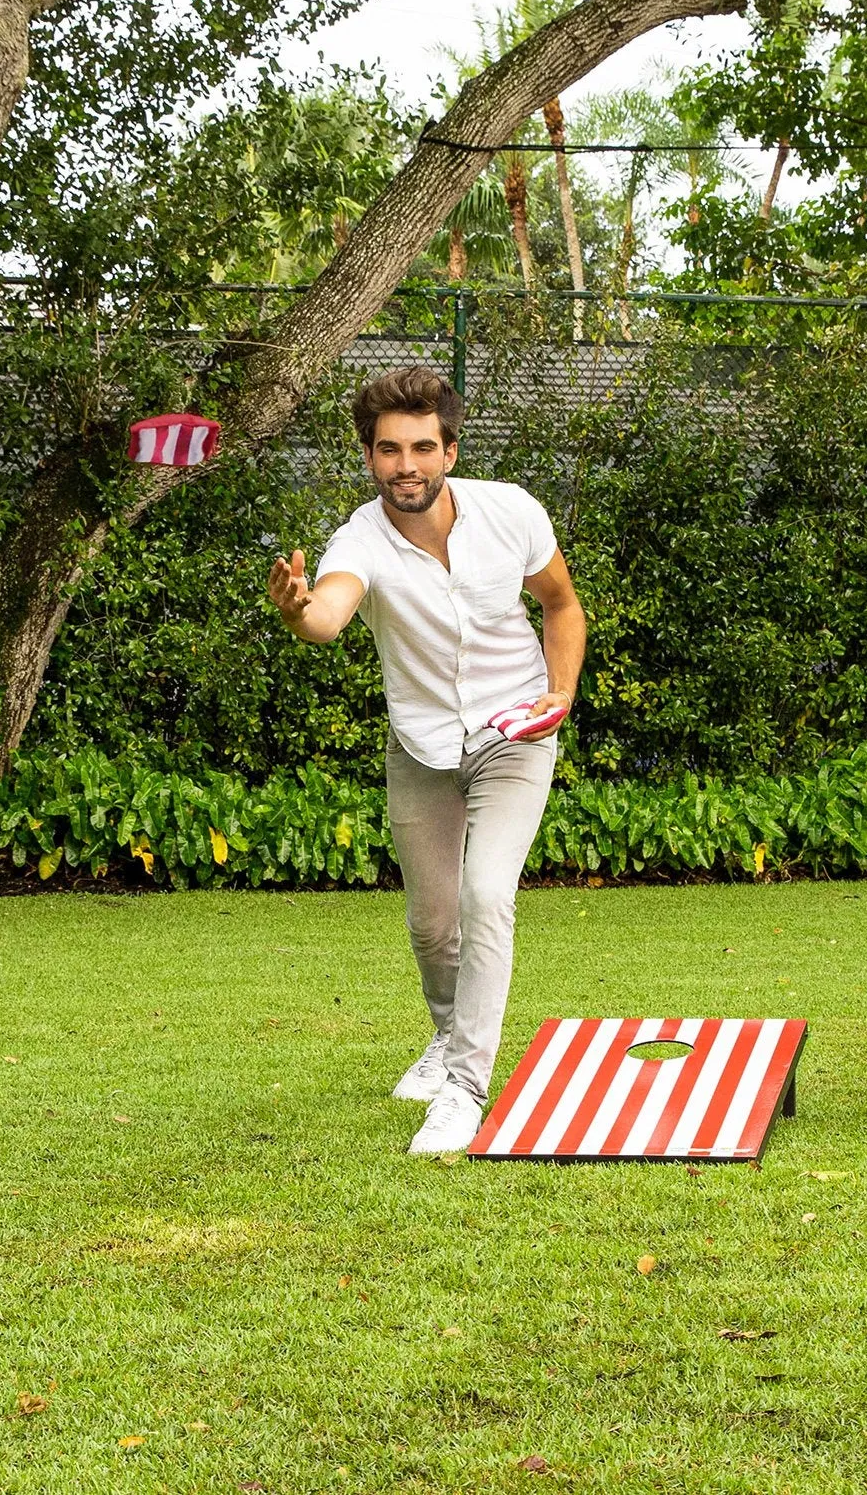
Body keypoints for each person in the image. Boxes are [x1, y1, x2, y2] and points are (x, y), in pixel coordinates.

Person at [266, 367, 586, 1155]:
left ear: (448, 447)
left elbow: (561, 605)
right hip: (421, 747)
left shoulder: (510, 510)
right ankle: (448, 1034)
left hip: (515, 733)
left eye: (419, 447)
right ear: (368, 457)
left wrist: (561, 692)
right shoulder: (357, 540)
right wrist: (300, 609)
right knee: (432, 922)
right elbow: (331, 614)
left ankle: (466, 1089)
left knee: (485, 897)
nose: (404, 465)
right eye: (386, 451)